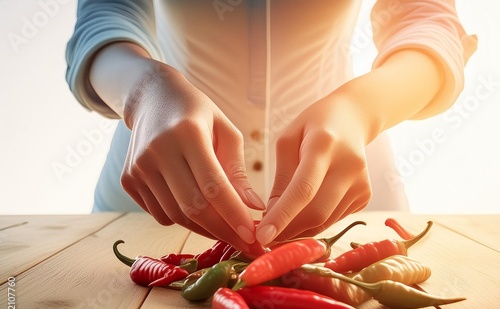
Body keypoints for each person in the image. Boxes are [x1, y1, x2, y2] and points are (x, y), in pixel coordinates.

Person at [65, 0, 476, 255]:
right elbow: (104, 17)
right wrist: (143, 92)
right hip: (155, 203)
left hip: (347, 205)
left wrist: (362, 110)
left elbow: (427, 22)